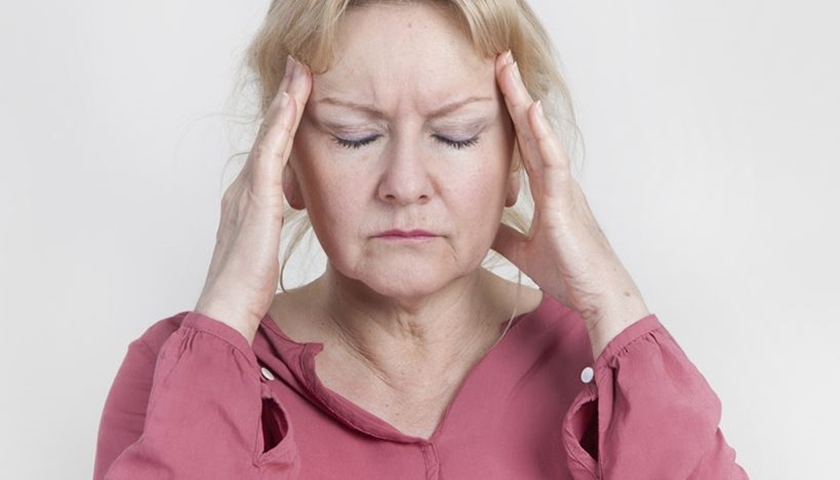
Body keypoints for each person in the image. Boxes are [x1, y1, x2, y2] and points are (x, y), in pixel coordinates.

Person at [94, 1, 748, 478]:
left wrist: (611, 301)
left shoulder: (610, 373)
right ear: (284, 159)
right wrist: (227, 313)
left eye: (456, 135)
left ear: (519, 158)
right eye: (353, 135)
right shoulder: (175, 373)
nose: (405, 185)